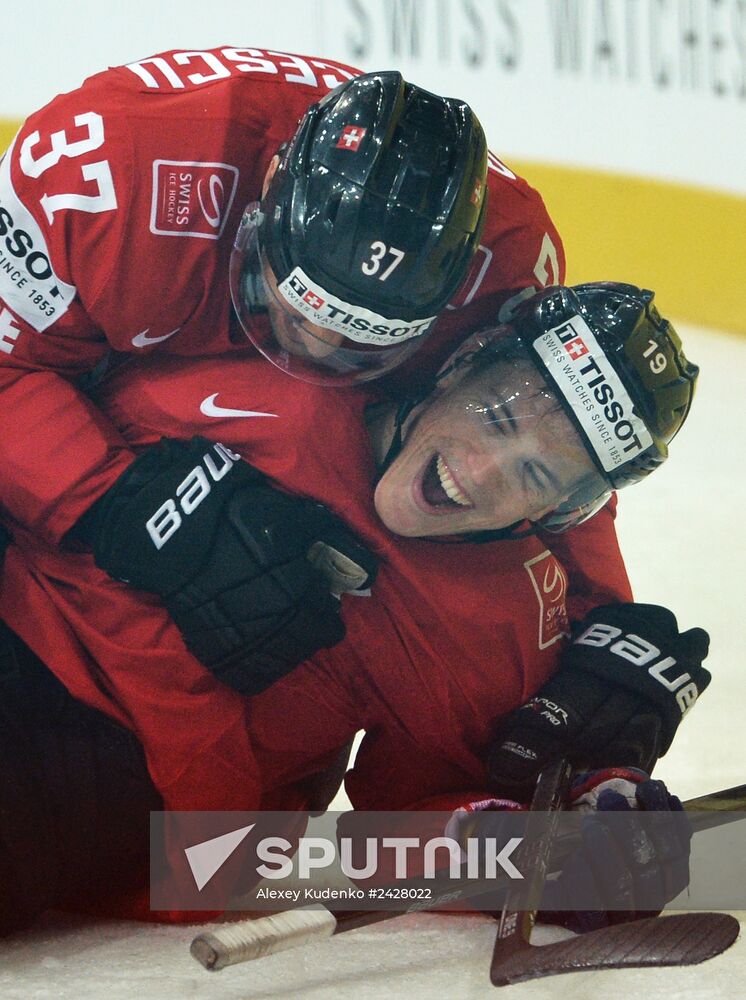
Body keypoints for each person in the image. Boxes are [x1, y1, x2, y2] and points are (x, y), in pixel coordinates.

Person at [0, 281, 707, 931]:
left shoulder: (495, 631)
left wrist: (520, 855)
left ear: (564, 509)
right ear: (458, 365)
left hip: (109, 775)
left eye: (536, 474)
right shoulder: (277, 381)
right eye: (494, 418)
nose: (480, 472)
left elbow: (392, 833)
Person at [0, 44, 564, 564]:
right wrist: (113, 502)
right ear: (267, 188)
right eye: (299, 309)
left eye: (366, 334)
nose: (319, 346)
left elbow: (560, 446)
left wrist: (607, 619)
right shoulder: (105, 173)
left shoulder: (507, 273)